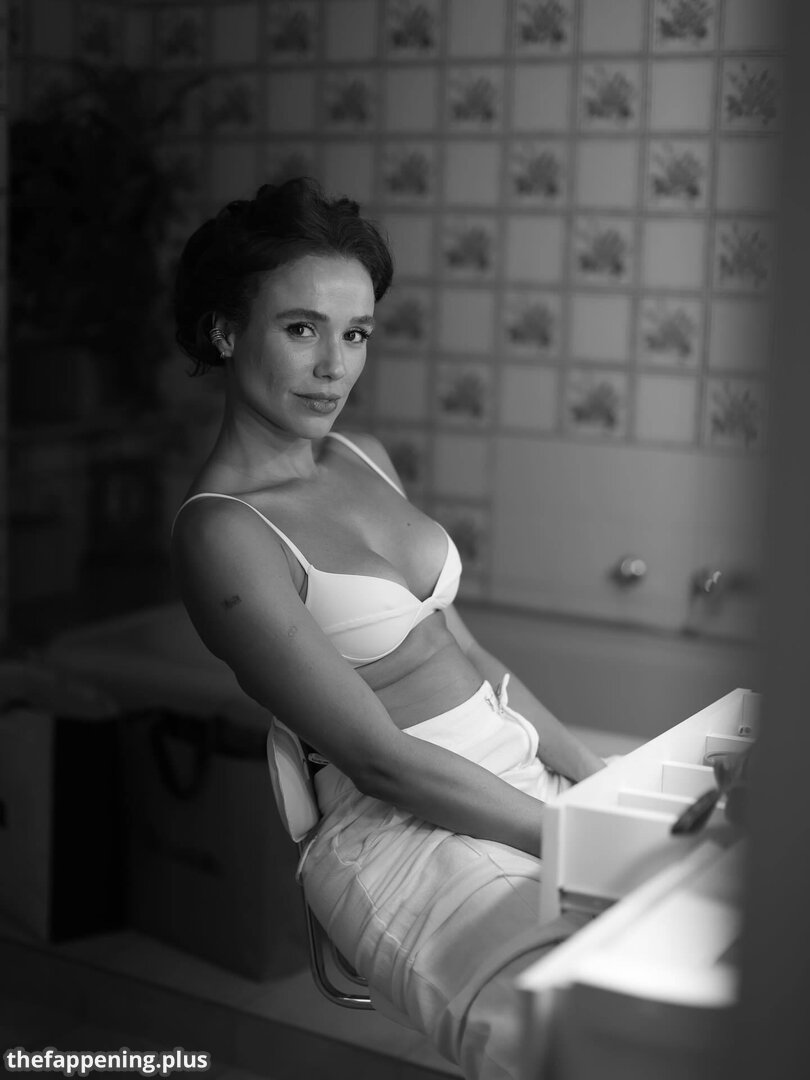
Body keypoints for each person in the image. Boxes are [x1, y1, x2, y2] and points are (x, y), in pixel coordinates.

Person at [171, 178, 605, 1080]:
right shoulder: (224, 533)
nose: (335, 366)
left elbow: (470, 653)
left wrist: (596, 784)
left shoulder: (363, 456)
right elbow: (379, 761)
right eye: (302, 329)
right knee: (578, 1041)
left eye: (357, 333)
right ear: (224, 332)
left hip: (516, 779)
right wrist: (574, 840)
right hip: (409, 832)